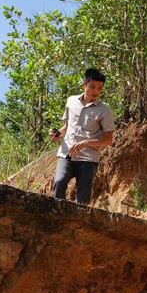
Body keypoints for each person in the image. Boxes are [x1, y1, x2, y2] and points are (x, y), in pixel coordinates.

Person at [50, 69, 116, 204]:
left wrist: (86, 142)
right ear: (84, 84)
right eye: (92, 87)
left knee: (83, 198)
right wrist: (57, 135)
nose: (95, 91)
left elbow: (108, 139)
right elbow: (67, 127)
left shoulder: (104, 109)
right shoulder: (71, 101)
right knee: (59, 181)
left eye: (99, 88)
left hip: (88, 158)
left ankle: (76, 224)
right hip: (66, 153)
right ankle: (57, 218)